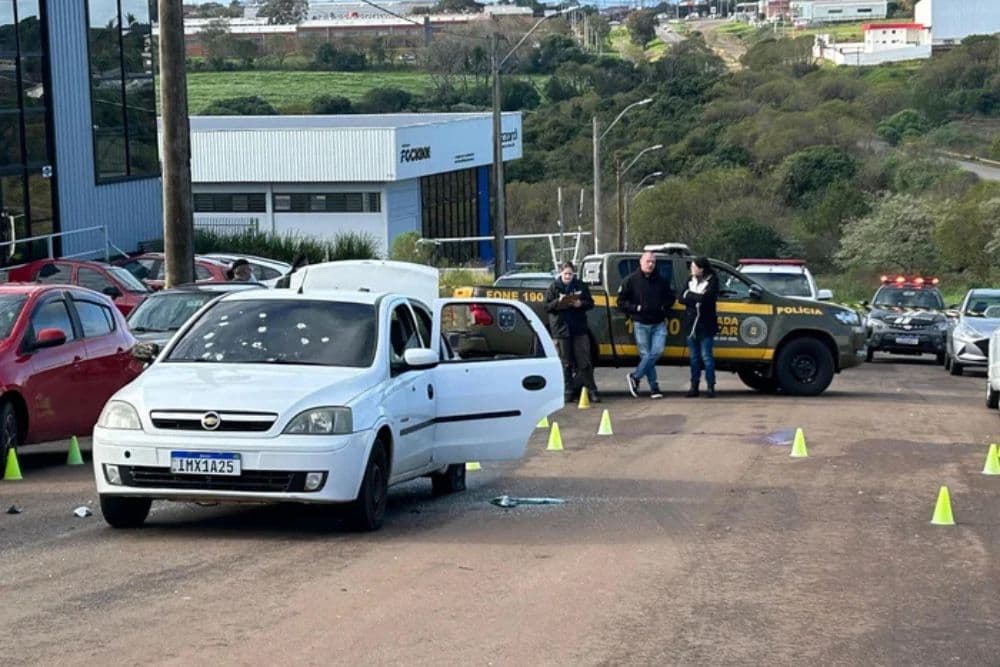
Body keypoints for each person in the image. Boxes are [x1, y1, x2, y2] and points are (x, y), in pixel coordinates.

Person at [618, 251, 675, 399]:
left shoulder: (662, 281)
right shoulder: (630, 280)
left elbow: (671, 298)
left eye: (653, 262)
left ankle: (635, 376)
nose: (650, 264)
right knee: (647, 356)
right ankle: (654, 388)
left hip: (658, 323)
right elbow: (621, 301)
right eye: (648, 261)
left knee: (657, 352)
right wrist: (636, 308)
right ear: (641, 262)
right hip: (640, 323)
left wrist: (664, 308)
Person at [545, 261, 600, 404]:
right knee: (565, 363)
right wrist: (559, 302)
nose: (568, 276)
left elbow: (590, 303)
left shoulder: (580, 285)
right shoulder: (554, 287)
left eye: (570, 273)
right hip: (561, 330)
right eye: (565, 274)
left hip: (579, 329)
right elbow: (547, 306)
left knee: (585, 362)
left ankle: (591, 390)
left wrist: (580, 304)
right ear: (560, 273)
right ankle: (567, 391)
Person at [681, 256, 719, 398]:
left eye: (694, 267)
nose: (692, 269)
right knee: (694, 358)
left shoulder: (712, 281)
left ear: (701, 268)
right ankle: (694, 386)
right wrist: (695, 297)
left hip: (706, 326)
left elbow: (707, 299)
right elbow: (681, 297)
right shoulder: (689, 281)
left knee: (706, 357)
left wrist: (690, 296)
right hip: (691, 326)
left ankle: (710, 386)